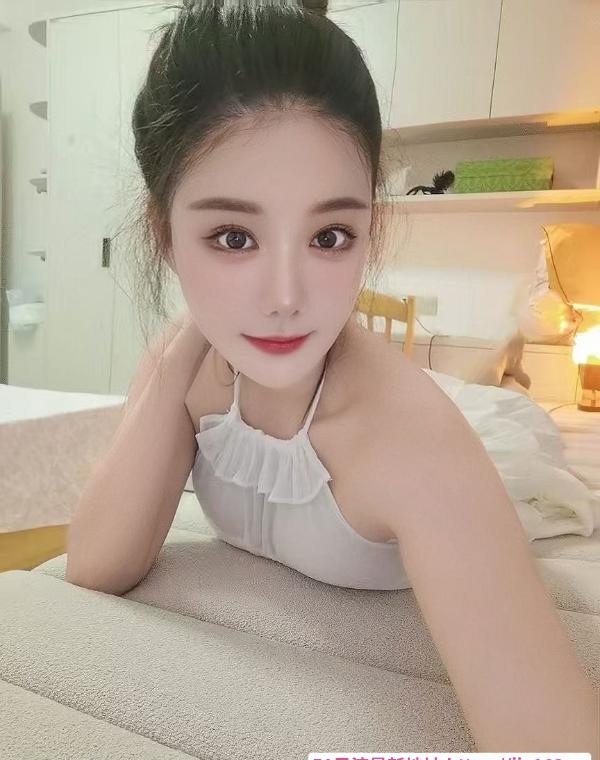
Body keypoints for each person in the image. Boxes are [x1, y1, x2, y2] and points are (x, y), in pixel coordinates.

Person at [67, 0, 599, 752]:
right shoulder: (183, 367)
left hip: (474, 450)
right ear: (164, 235)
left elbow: (550, 744)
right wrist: (182, 347)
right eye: (232, 237)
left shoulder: (415, 445)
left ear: (368, 231)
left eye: (329, 236)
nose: (286, 297)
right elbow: (97, 563)